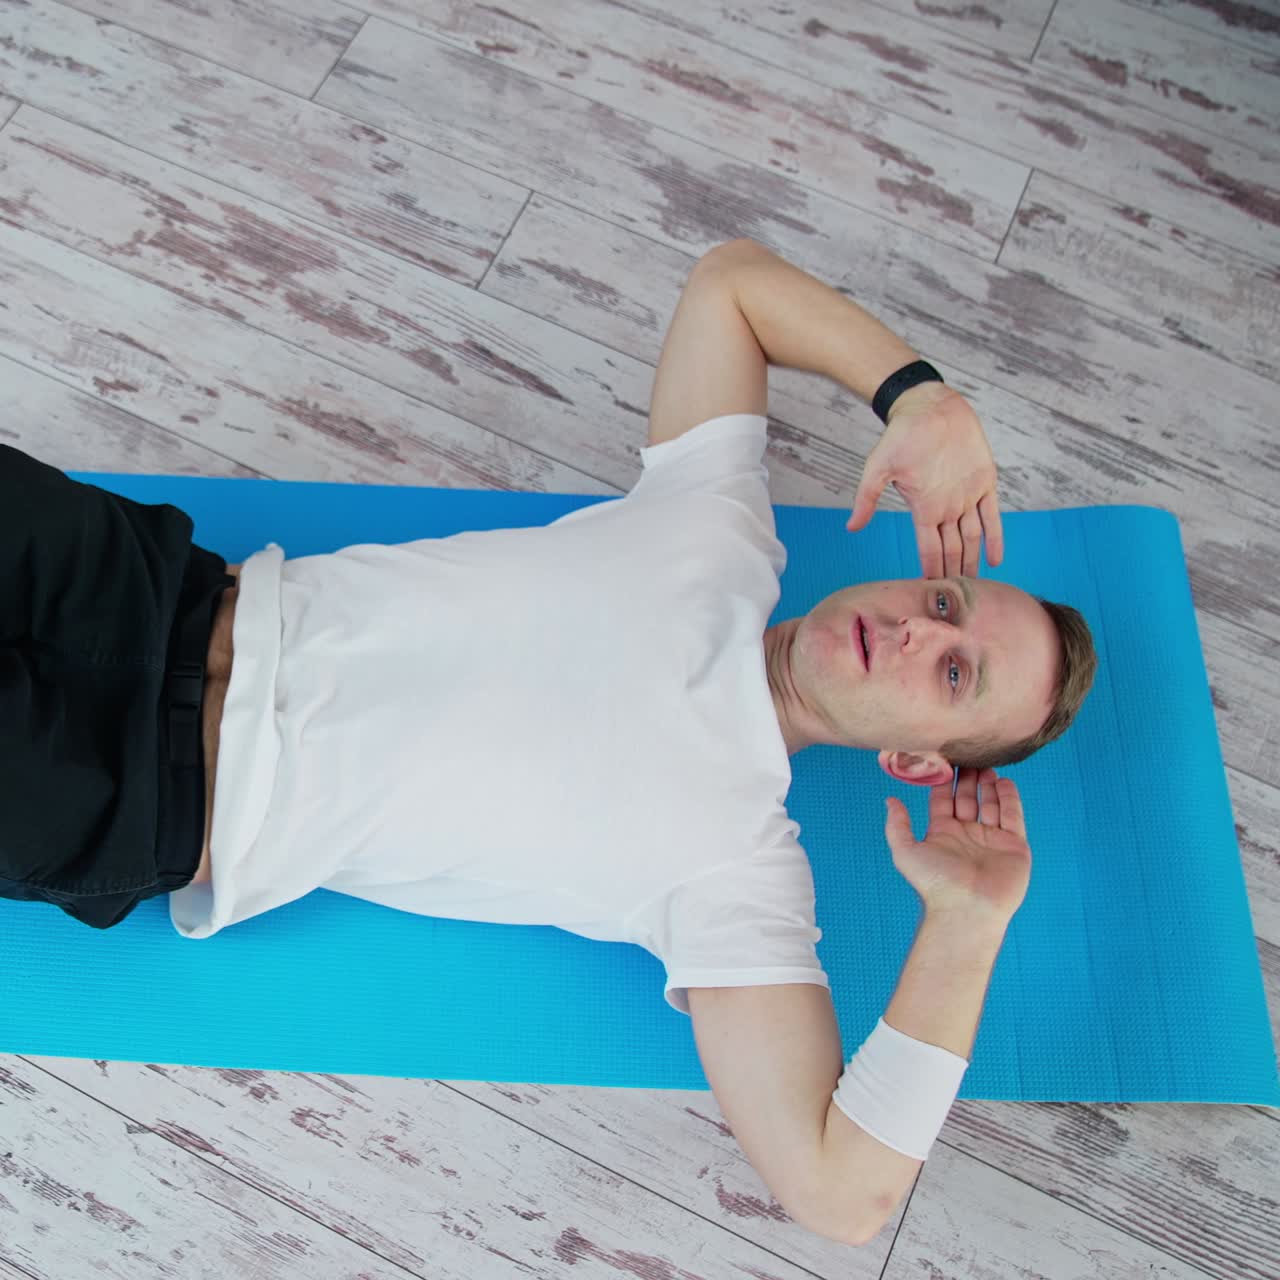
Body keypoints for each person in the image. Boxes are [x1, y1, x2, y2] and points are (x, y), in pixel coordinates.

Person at [1, 237, 1096, 1247]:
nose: (915, 626)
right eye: (945, 597)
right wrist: (923, 397)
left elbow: (839, 1191)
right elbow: (732, 286)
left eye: (950, 672)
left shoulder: (735, 874)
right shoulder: (716, 526)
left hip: (131, 789)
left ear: (912, 760)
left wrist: (965, 923)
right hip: (152, 590)